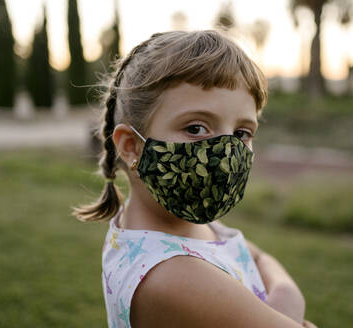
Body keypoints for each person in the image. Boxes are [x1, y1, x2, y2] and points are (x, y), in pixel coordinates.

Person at [72, 30, 316, 328]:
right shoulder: (172, 275)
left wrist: (283, 297)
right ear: (131, 146)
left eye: (241, 133)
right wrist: (289, 298)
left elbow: (261, 258)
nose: (226, 153)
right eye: (197, 128)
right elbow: (266, 267)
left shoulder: (194, 225)